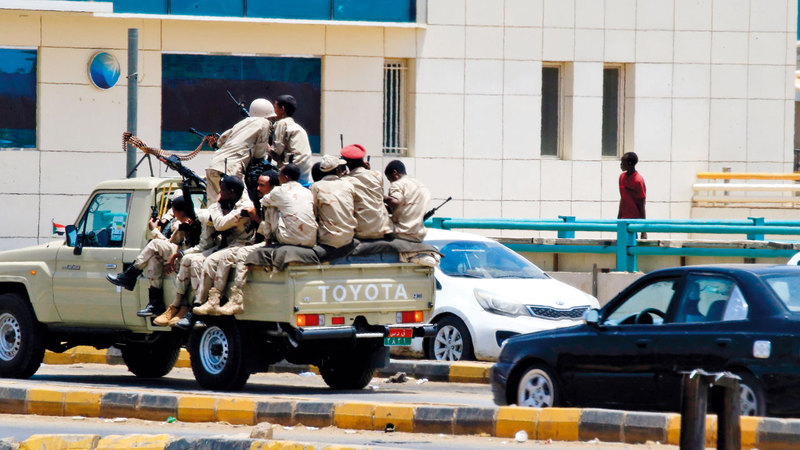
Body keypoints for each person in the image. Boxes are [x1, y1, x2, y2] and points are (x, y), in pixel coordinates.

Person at [106, 196, 194, 317]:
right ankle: (155, 303)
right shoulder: (181, 220)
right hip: (176, 253)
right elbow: (168, 243)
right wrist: (155, 229)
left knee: (154, 244)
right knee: (154, 258)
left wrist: (154, 231)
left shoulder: (186, 222)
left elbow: (170, 243)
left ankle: (130, 274)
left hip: (184, 255)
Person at [190, 175, 254, 317]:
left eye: (222, 190)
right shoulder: (231, 203)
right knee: (198, 260)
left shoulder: (243, 207)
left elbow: (220, 225)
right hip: (232, 245)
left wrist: (216, 206)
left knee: (212, 260)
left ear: (232, 191)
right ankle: (202, 302)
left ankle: (204, 301)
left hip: (243, 244)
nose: (220, 193)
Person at [220, 169, 281, 315]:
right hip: (270, 240)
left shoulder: (275, 202)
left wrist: (255, 218)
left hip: (276, 241)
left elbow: (272, 231)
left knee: (242, 253)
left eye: (262, 185)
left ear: (273, 187)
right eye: (257, 185)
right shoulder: (267, 201)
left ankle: (237, 299)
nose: (258, 188)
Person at [153, 205, 217, 327]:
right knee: (186, 259)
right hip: (189, 256)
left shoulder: (205, 219)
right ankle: (176, 305)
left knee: (193, 261)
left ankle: (195, 307)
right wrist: (182, 229)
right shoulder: (182, 222)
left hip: (213, 249)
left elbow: (204, 245)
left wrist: (177, 254)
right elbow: (174, 241)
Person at [205, 98, 275, 204]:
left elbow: (221, 140)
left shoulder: (242, 123)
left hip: (214, 165)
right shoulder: (264, 123)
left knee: (214, 206)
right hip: (230, 168)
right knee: (242, 206)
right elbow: (259, 155)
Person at [341, 144, 393, 240]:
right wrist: (367, 170)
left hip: (362, 233)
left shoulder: (344, 181)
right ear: (362, 160)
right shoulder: (377, 175)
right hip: (383, 229)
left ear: (345, 163)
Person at [259, 164, 317, 248]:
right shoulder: (307, 192)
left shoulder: (279, 190)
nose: (278, 177)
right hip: (310, 240)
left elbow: (263, 201)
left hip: (288, 239)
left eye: (279, 175)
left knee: (270, 205)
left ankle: (268, 240)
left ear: (286, 178)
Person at [311, 155, 357, 250]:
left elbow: (313, 214)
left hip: (327, 240)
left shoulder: (316, 187)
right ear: (337, 170)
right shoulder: (348, 185)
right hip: (348, 237)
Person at [384, 160, 431, 243]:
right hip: (418, 234)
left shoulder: (398, 184)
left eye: (389, 179)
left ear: (395, 173)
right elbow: (408, 208)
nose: (390, 182)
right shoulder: (422, 186)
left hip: (400, 232)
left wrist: (380, 197)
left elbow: (395, 202)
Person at [269, 95, 312, 184]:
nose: (273, 110)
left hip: (290, 174)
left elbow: (276, 152)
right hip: (304, 175)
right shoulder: (297, 127)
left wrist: (265, 144)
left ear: (282, 109)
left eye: (275, 107)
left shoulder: (282, 123)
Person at [618, 152, 647, 239]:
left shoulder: (638, 180)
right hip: (623, 219)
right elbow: (623, 198)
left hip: (634, 220)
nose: (621, 164)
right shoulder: (622, 177)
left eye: (623, 162)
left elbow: (641, 204)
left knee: (632, 243)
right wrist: (618, 217)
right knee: (622, 244)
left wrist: (643, 230)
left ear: (630, 164)